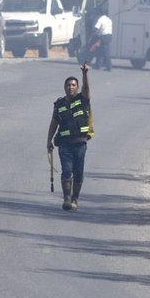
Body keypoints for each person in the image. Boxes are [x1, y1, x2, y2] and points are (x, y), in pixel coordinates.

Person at [47, 63, 92, 211]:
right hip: (65, 144)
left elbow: (87, 88)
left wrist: (85, 74)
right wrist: (49, 141)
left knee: (78, 173)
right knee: (67, 170)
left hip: (80, 144)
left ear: (77, 87)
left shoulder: (83, 100)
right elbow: (54, 123)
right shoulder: (59, 104)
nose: (70, 87)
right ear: (64, 87)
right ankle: (67, 198)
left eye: (73, 85)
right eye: (68, 85)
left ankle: (75, 198)